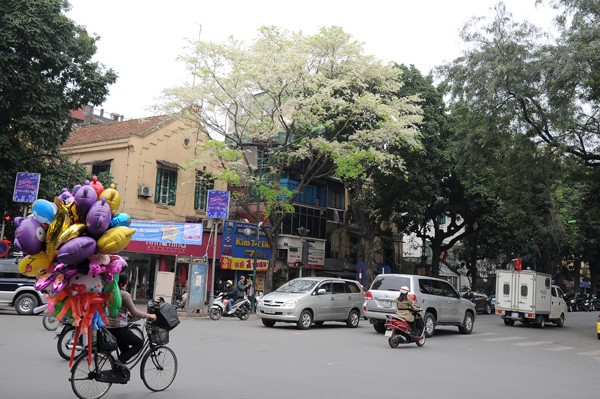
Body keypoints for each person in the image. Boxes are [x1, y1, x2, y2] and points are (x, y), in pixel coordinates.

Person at [106, 273, 156, 368]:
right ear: (123, 284)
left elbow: (116, 308)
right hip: (118, 328)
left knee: (125, 350)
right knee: (139, 343)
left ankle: (119, 369)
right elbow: (135, 313)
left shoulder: (110, 292)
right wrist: (149, 315)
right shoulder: (124, 294)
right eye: (127, 283)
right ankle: (119, 362)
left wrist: (126, 312)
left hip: (107, 327)